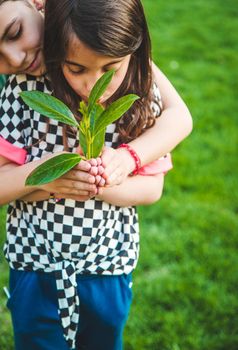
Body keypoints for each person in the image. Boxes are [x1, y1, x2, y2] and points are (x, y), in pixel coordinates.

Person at [0, 1, 192, 350]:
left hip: (108, 264)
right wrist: (47, 176)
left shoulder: (133, 85)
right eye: (75, 68)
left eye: (14, 31)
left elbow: (155, 180)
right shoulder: (24, 88)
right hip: (36, 264)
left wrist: (114, 170)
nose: (93, 84)